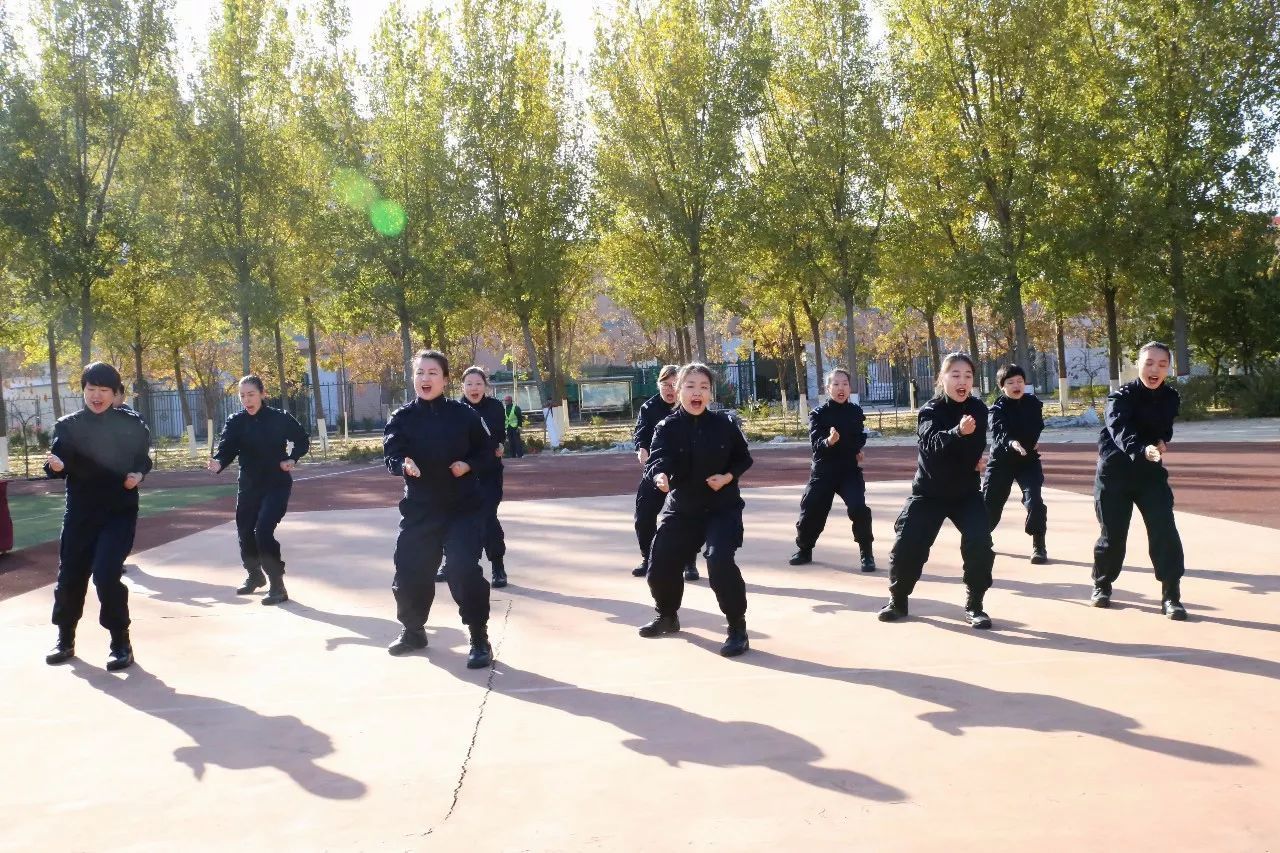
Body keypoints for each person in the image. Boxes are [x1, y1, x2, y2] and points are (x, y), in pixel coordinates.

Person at [384, 350, 496, 667]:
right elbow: (391, 453)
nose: (425, 379)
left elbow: (488, 452)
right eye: (420, 373)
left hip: (462, 508)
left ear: (445, 380)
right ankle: (413, 631)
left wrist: (469, 464)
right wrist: (402, 464)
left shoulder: (465, 417)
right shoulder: (402, 418)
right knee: (409, 571)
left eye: (432, 373)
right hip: (420, 510)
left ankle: (479, 637)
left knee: (462, 569)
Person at [638, 363, 754, 657]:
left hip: (721, 508)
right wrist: (659, 476)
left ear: (710, 393)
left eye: (703, 387)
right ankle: (667, 615)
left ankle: (737, 628)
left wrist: (728, 477)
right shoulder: (667, 427)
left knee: (719, 562)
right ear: (678, 392)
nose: (697, 393)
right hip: (683, 507)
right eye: (689, 386)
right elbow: (657, 460)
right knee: (660, 563)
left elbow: (743, 458)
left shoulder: (725, 424)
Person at [43, 362, 152, 670]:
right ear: (83, 391)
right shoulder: (69, 425)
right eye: (91, 389)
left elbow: (143, 459)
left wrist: (138, 474)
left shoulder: (130, 425)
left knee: (106, 575)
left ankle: (120, 642)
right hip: (80, 513)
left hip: (118, 512)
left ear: (116, 393)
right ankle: (65, 638)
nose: (97, 396)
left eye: (104, 390)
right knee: (70, 577)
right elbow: (56, 461)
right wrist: (56, 466)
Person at [879, 353, 995, 629]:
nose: (962, 381)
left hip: (965, 492)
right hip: (929, 493)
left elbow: (973, 450)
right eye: (955, 375)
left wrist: (973, 457)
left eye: (967, 375)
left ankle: (975, 604)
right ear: (941, 379)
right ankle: (898, 600)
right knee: (908, 543)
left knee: (980, 542)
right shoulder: (929, 411)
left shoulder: (978, 409)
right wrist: (956, 433)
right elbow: (931, 445)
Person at [1090, 342, 1187, 619]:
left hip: (1150, 474)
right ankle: (1102, 585)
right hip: (1114, 474)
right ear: (1138, 364)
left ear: (1168, 368)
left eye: (1162, 364)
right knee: (1113, 536)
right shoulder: (1119, 397)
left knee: (1164, 530)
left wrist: (1160, 442)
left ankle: (1171, 596)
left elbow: (1163, 430)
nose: (1155, 369)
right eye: (1149, 363)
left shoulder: (1170, 398)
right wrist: (1141, 448)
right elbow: (1120, 430)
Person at [208, 375, 310, 606]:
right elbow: (226, 449)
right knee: (245, 531)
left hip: (276, 483)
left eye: (251, 394)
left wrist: (292, 459)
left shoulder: (279, 418)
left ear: (263, 394)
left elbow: (302, 440)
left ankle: (277, 584)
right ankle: (254, 575)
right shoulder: (236, 422)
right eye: (242, 396)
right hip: (249, 485)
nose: (246, 400)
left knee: (263, 530)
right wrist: (218, 462)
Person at [789, 368, 876, 571]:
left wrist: (857, 450)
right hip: (823, 471)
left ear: (849, 387)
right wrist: (829, 441)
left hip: (848, 471)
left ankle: (867, 554)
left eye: (845, 384)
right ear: (828, 388)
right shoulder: (818, 414)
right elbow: (815, 444)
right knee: (812, 511)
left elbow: (859, 436)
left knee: (859, 509)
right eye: (836, 384)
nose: (841, 388)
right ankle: (804, 549)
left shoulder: (855, 412)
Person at [441, 366, 508, 588]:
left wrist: (499, 445)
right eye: (469, 384)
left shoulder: (496, 407)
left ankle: (498, 566)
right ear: (462, 386)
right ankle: (451, 563)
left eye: (478, 383)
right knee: (455, 521)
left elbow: (497, 437)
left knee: (487, 517)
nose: (474, 388)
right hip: (461, 476)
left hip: (488, 472)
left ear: (485, 386)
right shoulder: (454, 409)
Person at [632, 364, 699, 581]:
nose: (670, 390)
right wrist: (641, 448)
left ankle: (689, 561)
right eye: (665, 385)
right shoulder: (649, 408)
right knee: (643, 515)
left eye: (673, 385)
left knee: (688, 514)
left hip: (684, 470)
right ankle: (648, 558)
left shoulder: (688, 406)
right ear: (658, 385)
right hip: (656, 468)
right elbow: (641, 434)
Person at [982, 364, 1048, 564]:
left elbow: (1037, 425)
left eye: (1020, 381)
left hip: (1027, 460)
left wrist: (1031, 442)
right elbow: (1000, 433)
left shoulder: (1033, 403)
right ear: (1003, 387)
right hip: (1002, 461)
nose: (1016, 385)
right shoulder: (997, 409)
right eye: (1010, 382)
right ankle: (982, 541)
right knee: (990, 504)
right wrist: (1013, 443)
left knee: (1035, 500)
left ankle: (1039, 546)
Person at [502, 394, 525, 458]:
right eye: (505, 401)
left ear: (510, 401)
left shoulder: (516, 408)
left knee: (517, 441)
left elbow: (520, 418)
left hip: (515, 427)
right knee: (511, 442)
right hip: (508, 427)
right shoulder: (504, 408)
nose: (505, 402)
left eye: (506, 400)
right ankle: (513, 455)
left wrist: (519, 427)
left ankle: (520, 455)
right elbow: (504, 418)